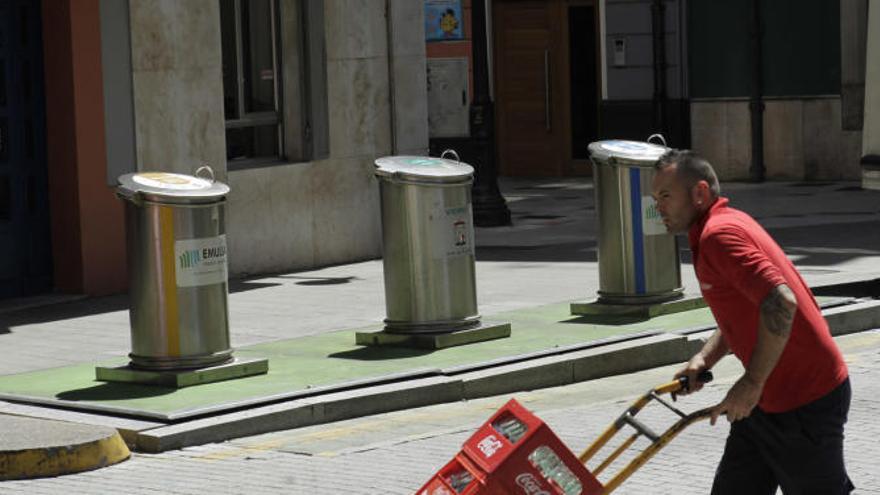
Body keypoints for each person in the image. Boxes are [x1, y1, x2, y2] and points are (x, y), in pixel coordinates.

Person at [650, 149, 854, 494]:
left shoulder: (720, 236)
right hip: (764, 403)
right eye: (655, 198)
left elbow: (780, 301)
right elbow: (746, 308)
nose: (658, 207)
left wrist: (752, 381)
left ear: (699, 193)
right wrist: (704, 359)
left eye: (666, 196)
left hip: (802, 399)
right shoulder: (720, 226)